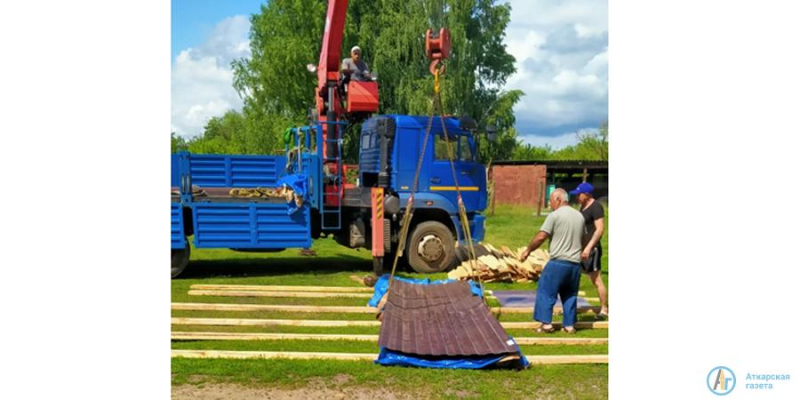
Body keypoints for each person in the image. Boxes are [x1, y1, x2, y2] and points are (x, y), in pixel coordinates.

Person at [519, 188, 585, 334]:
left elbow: (542, 236)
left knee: (546, 291)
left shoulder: (555, 215)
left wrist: (528, 250)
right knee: (570, 294)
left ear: (558, 199)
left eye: (551, 201)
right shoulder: (579, 216)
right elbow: (584, 238)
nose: (550, 205)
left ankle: (546, 324)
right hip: (575, 264)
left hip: (558, 262)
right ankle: (569, 326)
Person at [570, 182, 609, 319]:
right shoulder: (583, 206)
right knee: (574, 278)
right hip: (581, 249)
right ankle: (570, 308)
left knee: (596, 279)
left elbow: (599, 229)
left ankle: (604, 309)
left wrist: (588, 247)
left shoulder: (596, 206)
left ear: (586, 194)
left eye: (579, 194)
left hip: (592, 249)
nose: (577, 197)